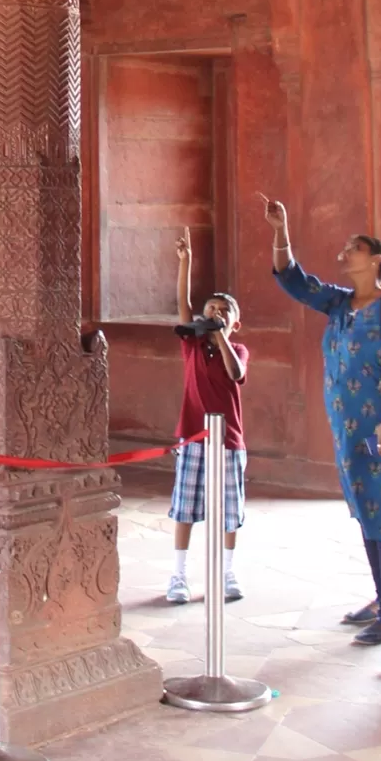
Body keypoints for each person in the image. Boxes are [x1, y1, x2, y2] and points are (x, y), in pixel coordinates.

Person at [261, 196, 381, 646]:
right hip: (346, 428)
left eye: (353, 248)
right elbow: (295, 282)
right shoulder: (340, 304)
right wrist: (280, 231)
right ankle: (380, 596)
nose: (344, 253)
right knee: (365, 513)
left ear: (375, 259)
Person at [167, 224, 249, 605]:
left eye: (224, 310)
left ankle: (227, 572)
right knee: (185, 505)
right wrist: (186, 263)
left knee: (229, 509)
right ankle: (178, 575)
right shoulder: (192, 345)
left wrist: (221, 335)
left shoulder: (238, 349)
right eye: (211, 309)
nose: (216, 313)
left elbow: (235, 374)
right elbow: (183, 306)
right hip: (193, 435)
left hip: (228, 439)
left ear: (236, 322)